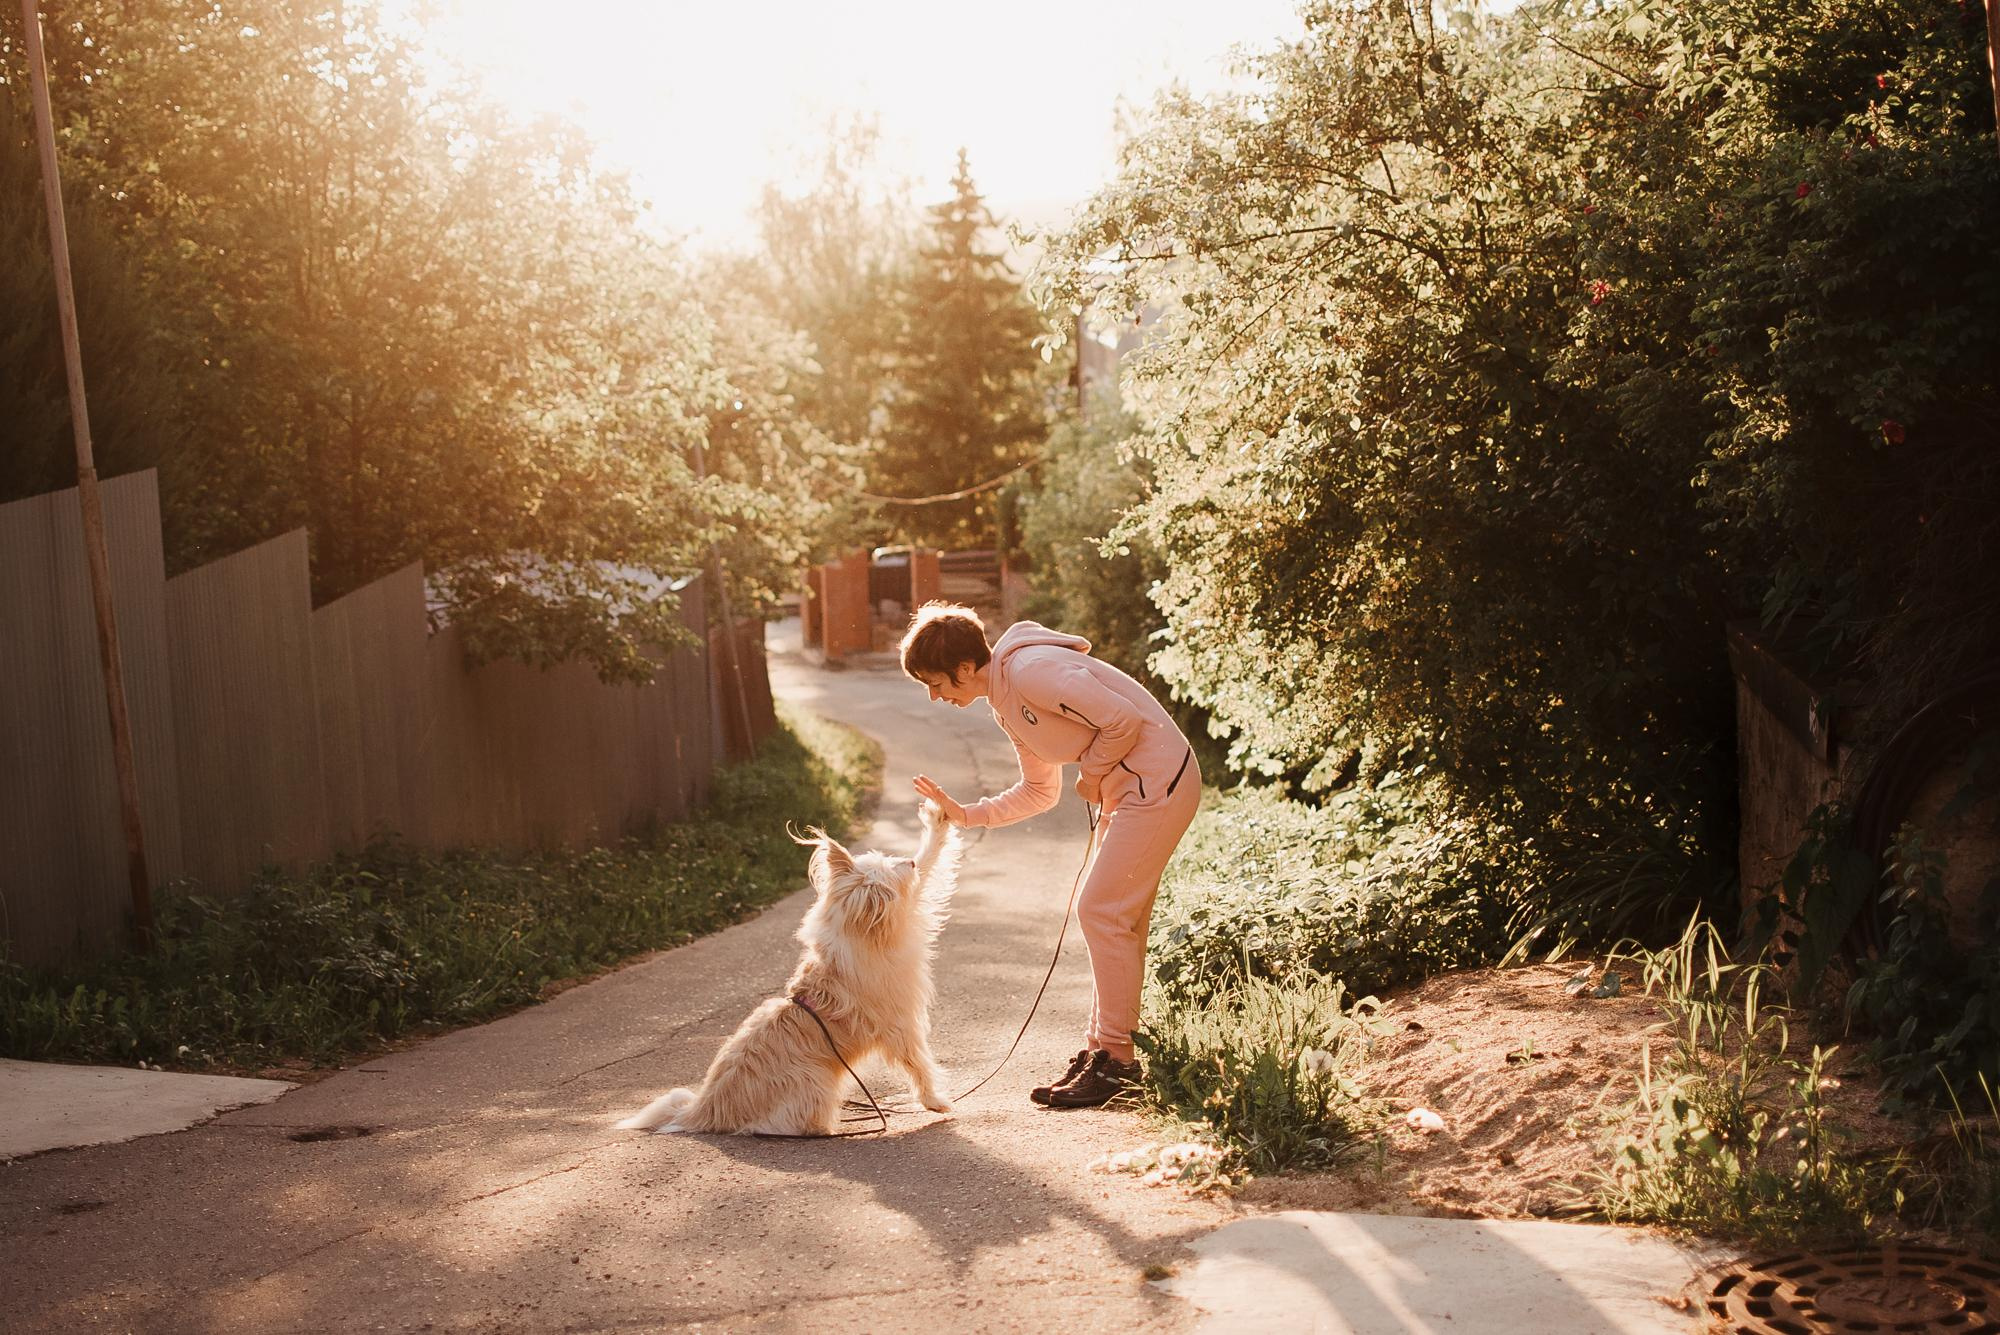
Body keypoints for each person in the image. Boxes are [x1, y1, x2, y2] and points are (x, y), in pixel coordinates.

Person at [901, 602, 1200, 1109]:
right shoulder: (1005, 702)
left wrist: (1093, 773)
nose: (935, 697)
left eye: (937, 682)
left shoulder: (1031, 672)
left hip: (1159, 782)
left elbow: (1122, 721)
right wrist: (965, 813)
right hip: (1129, 790)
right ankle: (1102, 1053)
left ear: (965, 669)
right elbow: (1039, 792)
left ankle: (1119, 1063)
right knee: (1116, 920)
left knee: (1100, 911)